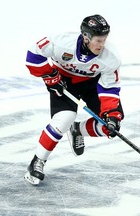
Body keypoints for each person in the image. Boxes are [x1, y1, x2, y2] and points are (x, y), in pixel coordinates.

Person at [24, 14, 124, 185]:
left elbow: (109, 87)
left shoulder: (111, 57)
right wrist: (49, 75)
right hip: (64, 81)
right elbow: (33, 55)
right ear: (86, 37)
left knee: (110, 125)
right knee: (64, 118)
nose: (102, 45)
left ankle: (78, 130)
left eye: (104, 40)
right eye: (98, 40)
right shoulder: (62, 42)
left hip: (93, 84)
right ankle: (37, 162)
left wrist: (112, 114)